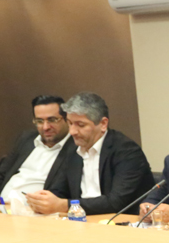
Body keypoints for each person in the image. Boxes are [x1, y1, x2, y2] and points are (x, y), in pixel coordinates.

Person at [27, 92, 155, 215]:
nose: (72, 131)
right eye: (70, 123)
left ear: (103, 124)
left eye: (80, 125)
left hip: (120, 221)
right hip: (80, 219)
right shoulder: (73, 149)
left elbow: (116, 202)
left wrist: (65, 205)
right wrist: (44, 201)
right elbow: (59, 190)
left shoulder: (127, 151)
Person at [0, 95, 76, 205]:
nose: (45, 127)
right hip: (0, 206)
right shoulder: (26, 139)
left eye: (52, 120)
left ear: (67, 119)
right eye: (39, 121)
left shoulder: (75, 147)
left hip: (34, 211)